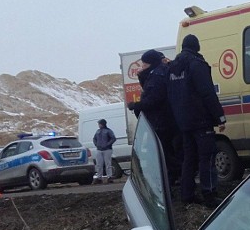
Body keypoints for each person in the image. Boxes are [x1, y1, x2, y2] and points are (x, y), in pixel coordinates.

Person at [167, 34, 227, 209]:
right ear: (197, 47)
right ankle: (209, 194)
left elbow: (170, 95)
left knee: (189, 159)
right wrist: (219, 116)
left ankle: (188, 194)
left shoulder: (172, 68)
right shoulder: (196, 64)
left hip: (183, 122)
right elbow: (207, 92)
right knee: (206, 157)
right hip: (201, 120)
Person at [128, 49, 182, 184]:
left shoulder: (157, 76)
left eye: (145, 64)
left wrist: (137, 105)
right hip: (167, 120)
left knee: (164, 153)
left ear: (151, 63)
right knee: (168, 151)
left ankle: (174, 176)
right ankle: (173, 176)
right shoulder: (161, 72)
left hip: (162, 122)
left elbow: (154, 98)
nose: (142, 67)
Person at [92, 118, 116, 183]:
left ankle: (109, 176)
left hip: (107, 149)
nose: (98, 125)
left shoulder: (108, 131)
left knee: (108, 163)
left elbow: (113, 138)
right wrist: (96, 144)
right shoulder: (97, 131)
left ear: (102, 124)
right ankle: (99, 177)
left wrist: (107, 144)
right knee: (99, 164)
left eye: (99, 124)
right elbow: (94, 138)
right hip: (99, 149)